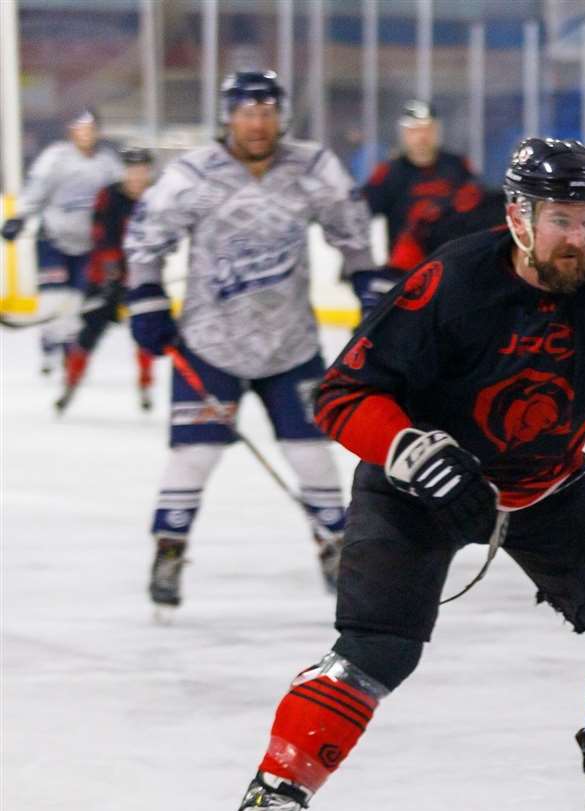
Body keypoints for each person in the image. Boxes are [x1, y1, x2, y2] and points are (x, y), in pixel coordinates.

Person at [204, 136, 585, 811]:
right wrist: (412, 450)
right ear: (518, 215)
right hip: (419, 489)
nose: (580, 236)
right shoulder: (452, 279)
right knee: (377, 650)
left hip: (550, 483)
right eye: (561, 219)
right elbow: (343, 394)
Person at [123, 71, 385, 615]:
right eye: (246, 111)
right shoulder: (194, 173)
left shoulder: (312, 167)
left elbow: (352, 231)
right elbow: (147, 236)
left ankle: (336, 549)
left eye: (267, 111)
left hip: (290, 345)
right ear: (228, 116)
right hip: (209, 343)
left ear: (281, 116)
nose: (258, 122)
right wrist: (147, 296)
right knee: (193, 456)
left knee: (313, 455)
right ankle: (168, 550)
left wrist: (367, 289)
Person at [1, 108, 123, 375]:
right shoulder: (55, 158)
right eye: (79, 128)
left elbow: (120, 200)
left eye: (89, 129)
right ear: (71, 131)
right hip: (52, 239)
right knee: (53, 297)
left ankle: (69, 348)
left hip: (90, 245)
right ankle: (49, 344)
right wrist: (20, 216)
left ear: (97, 132)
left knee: (77, 301)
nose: (84, 134)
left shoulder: (108, 163)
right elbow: (36, 190)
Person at [53, 146, 157, 416]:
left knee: (147, 333)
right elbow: (102, 236)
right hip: (104, 280)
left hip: (141, 280)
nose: (136, 176)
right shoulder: (109, 196)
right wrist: (112, 274)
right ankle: (70, 384)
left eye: (142, 171)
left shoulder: (157, 198)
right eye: (132, 171)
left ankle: (145, 386)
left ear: (149, 172)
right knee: (88, 334)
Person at [362, 100, 478, 251]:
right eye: (414, 130)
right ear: (404, 133)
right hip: (406, 267)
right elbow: (360, 214)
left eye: (428, 129)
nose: (422, 137)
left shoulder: (458, 167)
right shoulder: (388, 173)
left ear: (437, 131)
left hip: (451, 263)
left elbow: (479, 211)